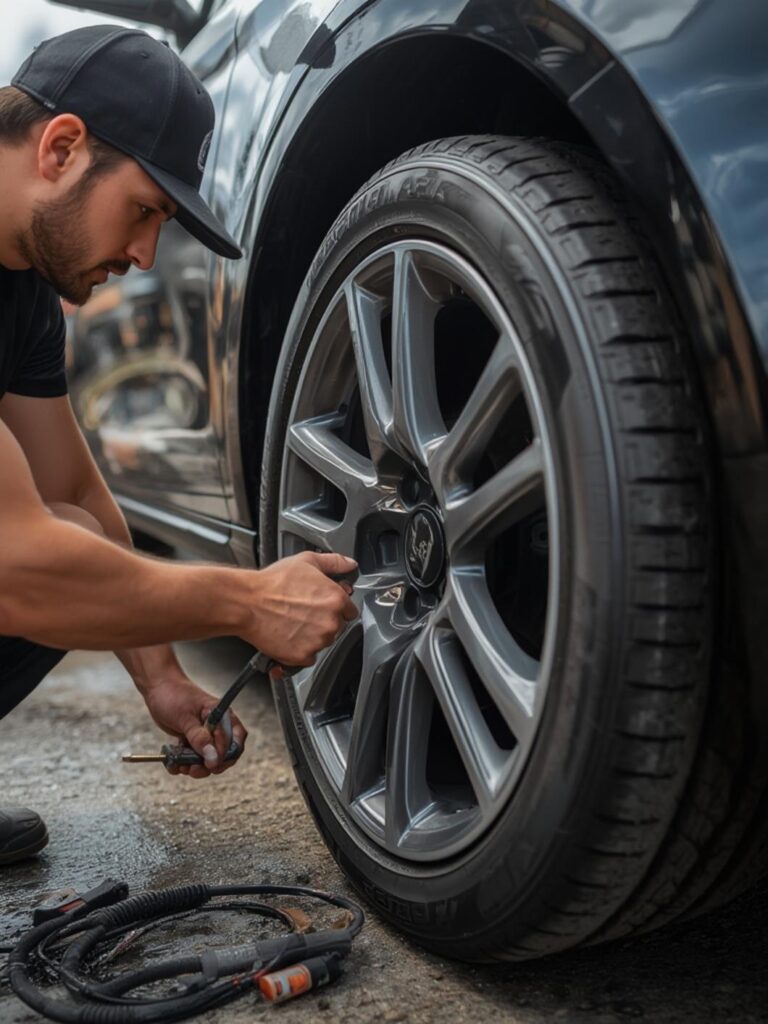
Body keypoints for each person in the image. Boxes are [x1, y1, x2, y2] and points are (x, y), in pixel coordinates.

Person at [0, 26, 358, 866]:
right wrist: (246, 602)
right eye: (143, 210)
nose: (143, 253)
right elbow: (15, 568)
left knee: (78, 537)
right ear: (61, 148)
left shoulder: (23, 297)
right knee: (48, 564)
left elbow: (75, 498)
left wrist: (160, 676)